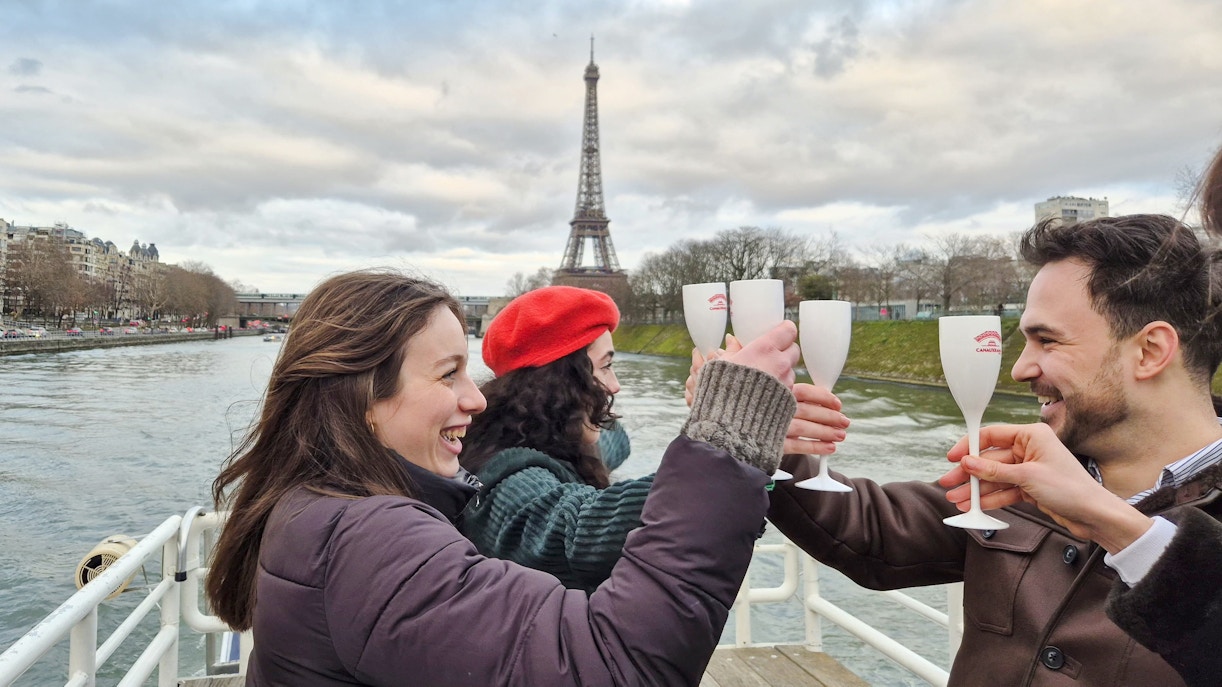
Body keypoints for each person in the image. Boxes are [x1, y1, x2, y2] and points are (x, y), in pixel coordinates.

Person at [205, 269, 800, 686]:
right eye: (447, 376)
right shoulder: (373, 541)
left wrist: (728, 451)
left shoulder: (319, 503)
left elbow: (613, 443)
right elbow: (615, 667)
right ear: (362, 398)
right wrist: (731, 445)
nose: (476, 398)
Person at [765, 213, 1222, 686]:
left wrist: (1122, 531)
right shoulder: (1030, 473)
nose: (1020, 369)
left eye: (1047, 340)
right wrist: (756, 432)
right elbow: (876, 530)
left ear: (1149, 351)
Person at [459, 286, 848, 592]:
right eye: (606, 366)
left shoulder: (533, 445)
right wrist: (732, 439)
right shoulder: (502, 480)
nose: (615, 385)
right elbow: (577, 530)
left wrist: (752, 438)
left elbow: (616, 442)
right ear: (559, 384)